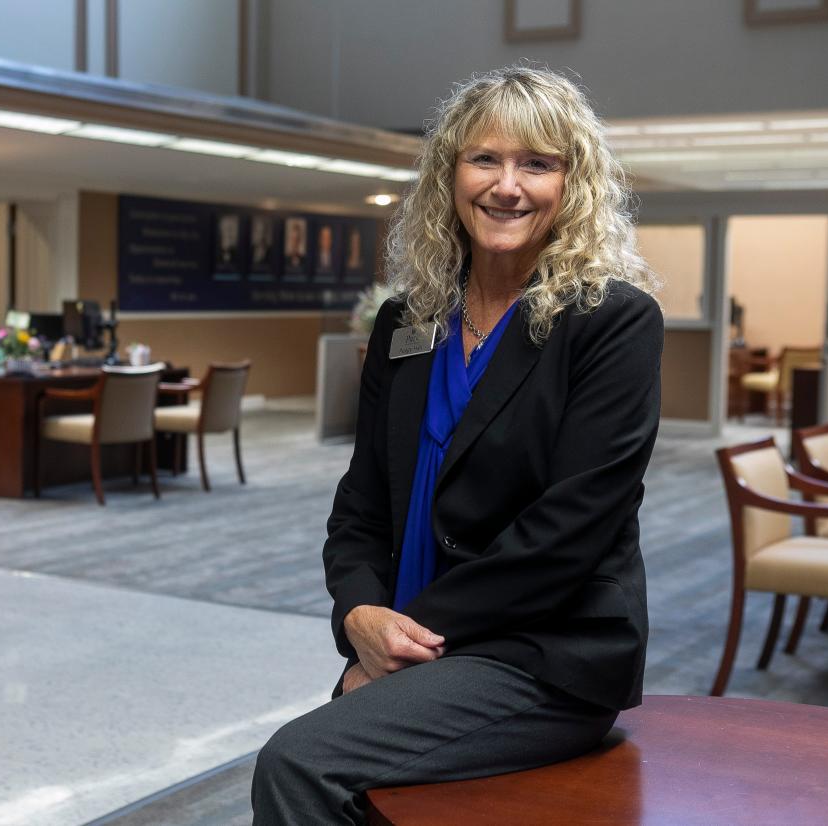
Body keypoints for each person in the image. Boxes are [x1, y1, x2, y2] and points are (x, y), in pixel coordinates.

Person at [251, 65, 663, 825]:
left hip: (541, 653)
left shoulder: (610, 321)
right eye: (484, 159)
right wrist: (359, 613)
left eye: (537, 164)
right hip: (404, 630)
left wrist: (406, 640)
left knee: (298, 763)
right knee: (357, 790)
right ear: (449, 174)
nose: (506, 186)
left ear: (572, 185)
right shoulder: (410, 321)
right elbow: (362, 502)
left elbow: (568, 534)